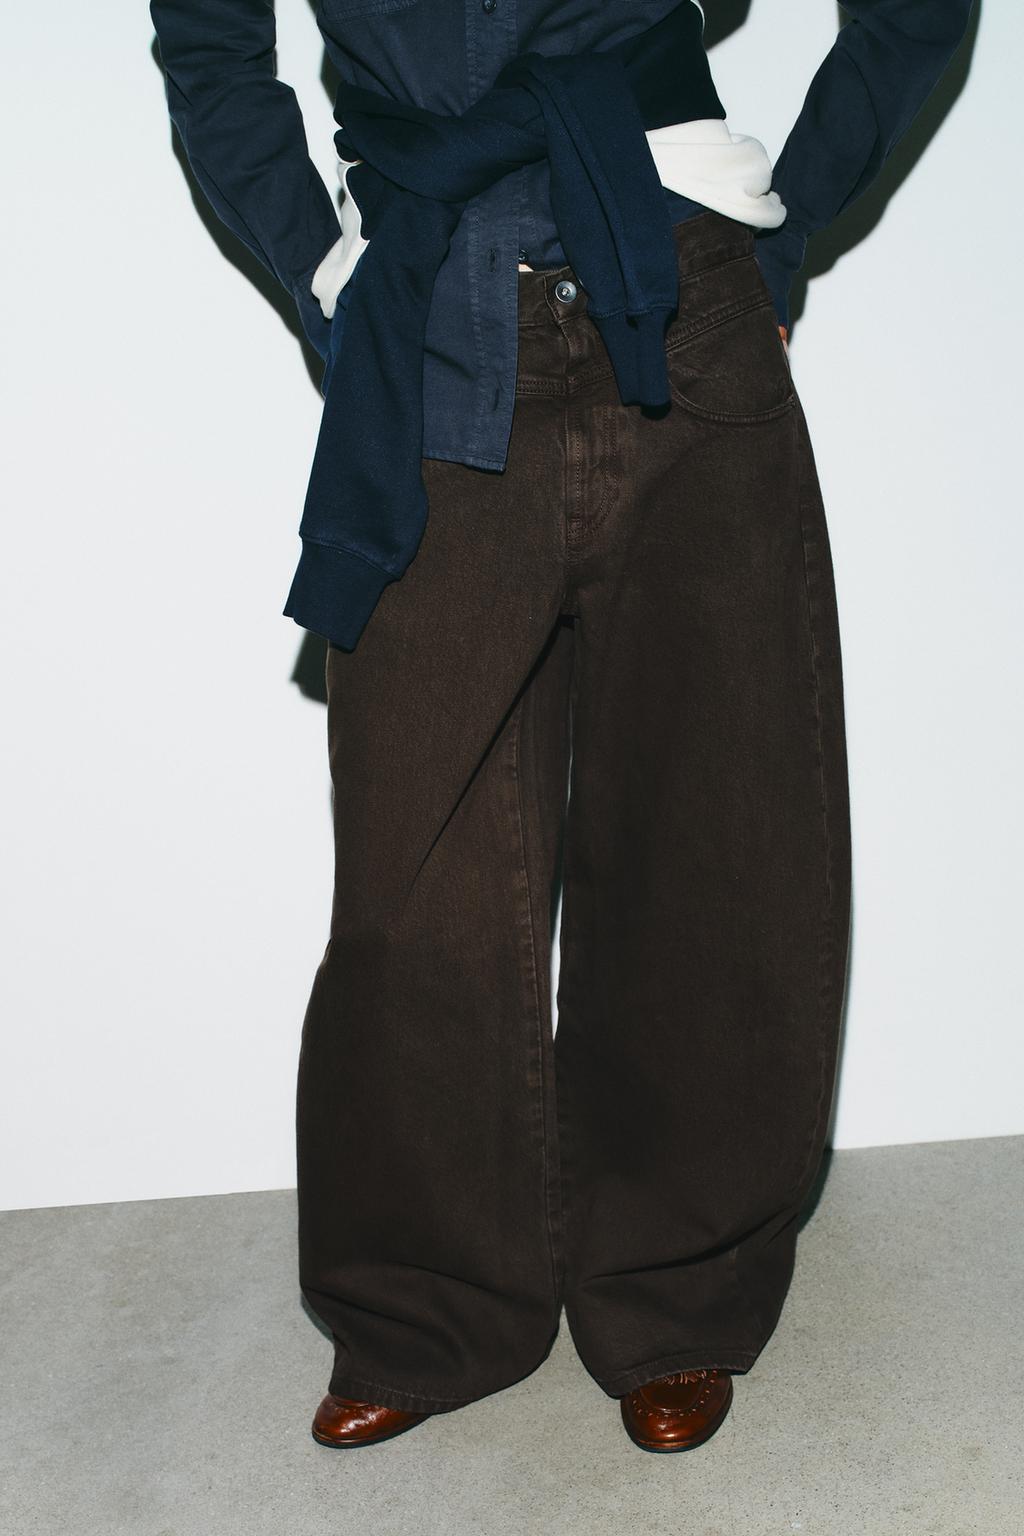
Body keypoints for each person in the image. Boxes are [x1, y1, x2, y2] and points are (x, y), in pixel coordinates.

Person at [149, 0, 974, 1454]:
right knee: (415, 878)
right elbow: (210, 46)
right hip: (433, 313)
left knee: (712, 837)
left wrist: (779, 237)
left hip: (680, 294)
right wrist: (326, 271)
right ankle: (427, 1304)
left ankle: (678, 1291)